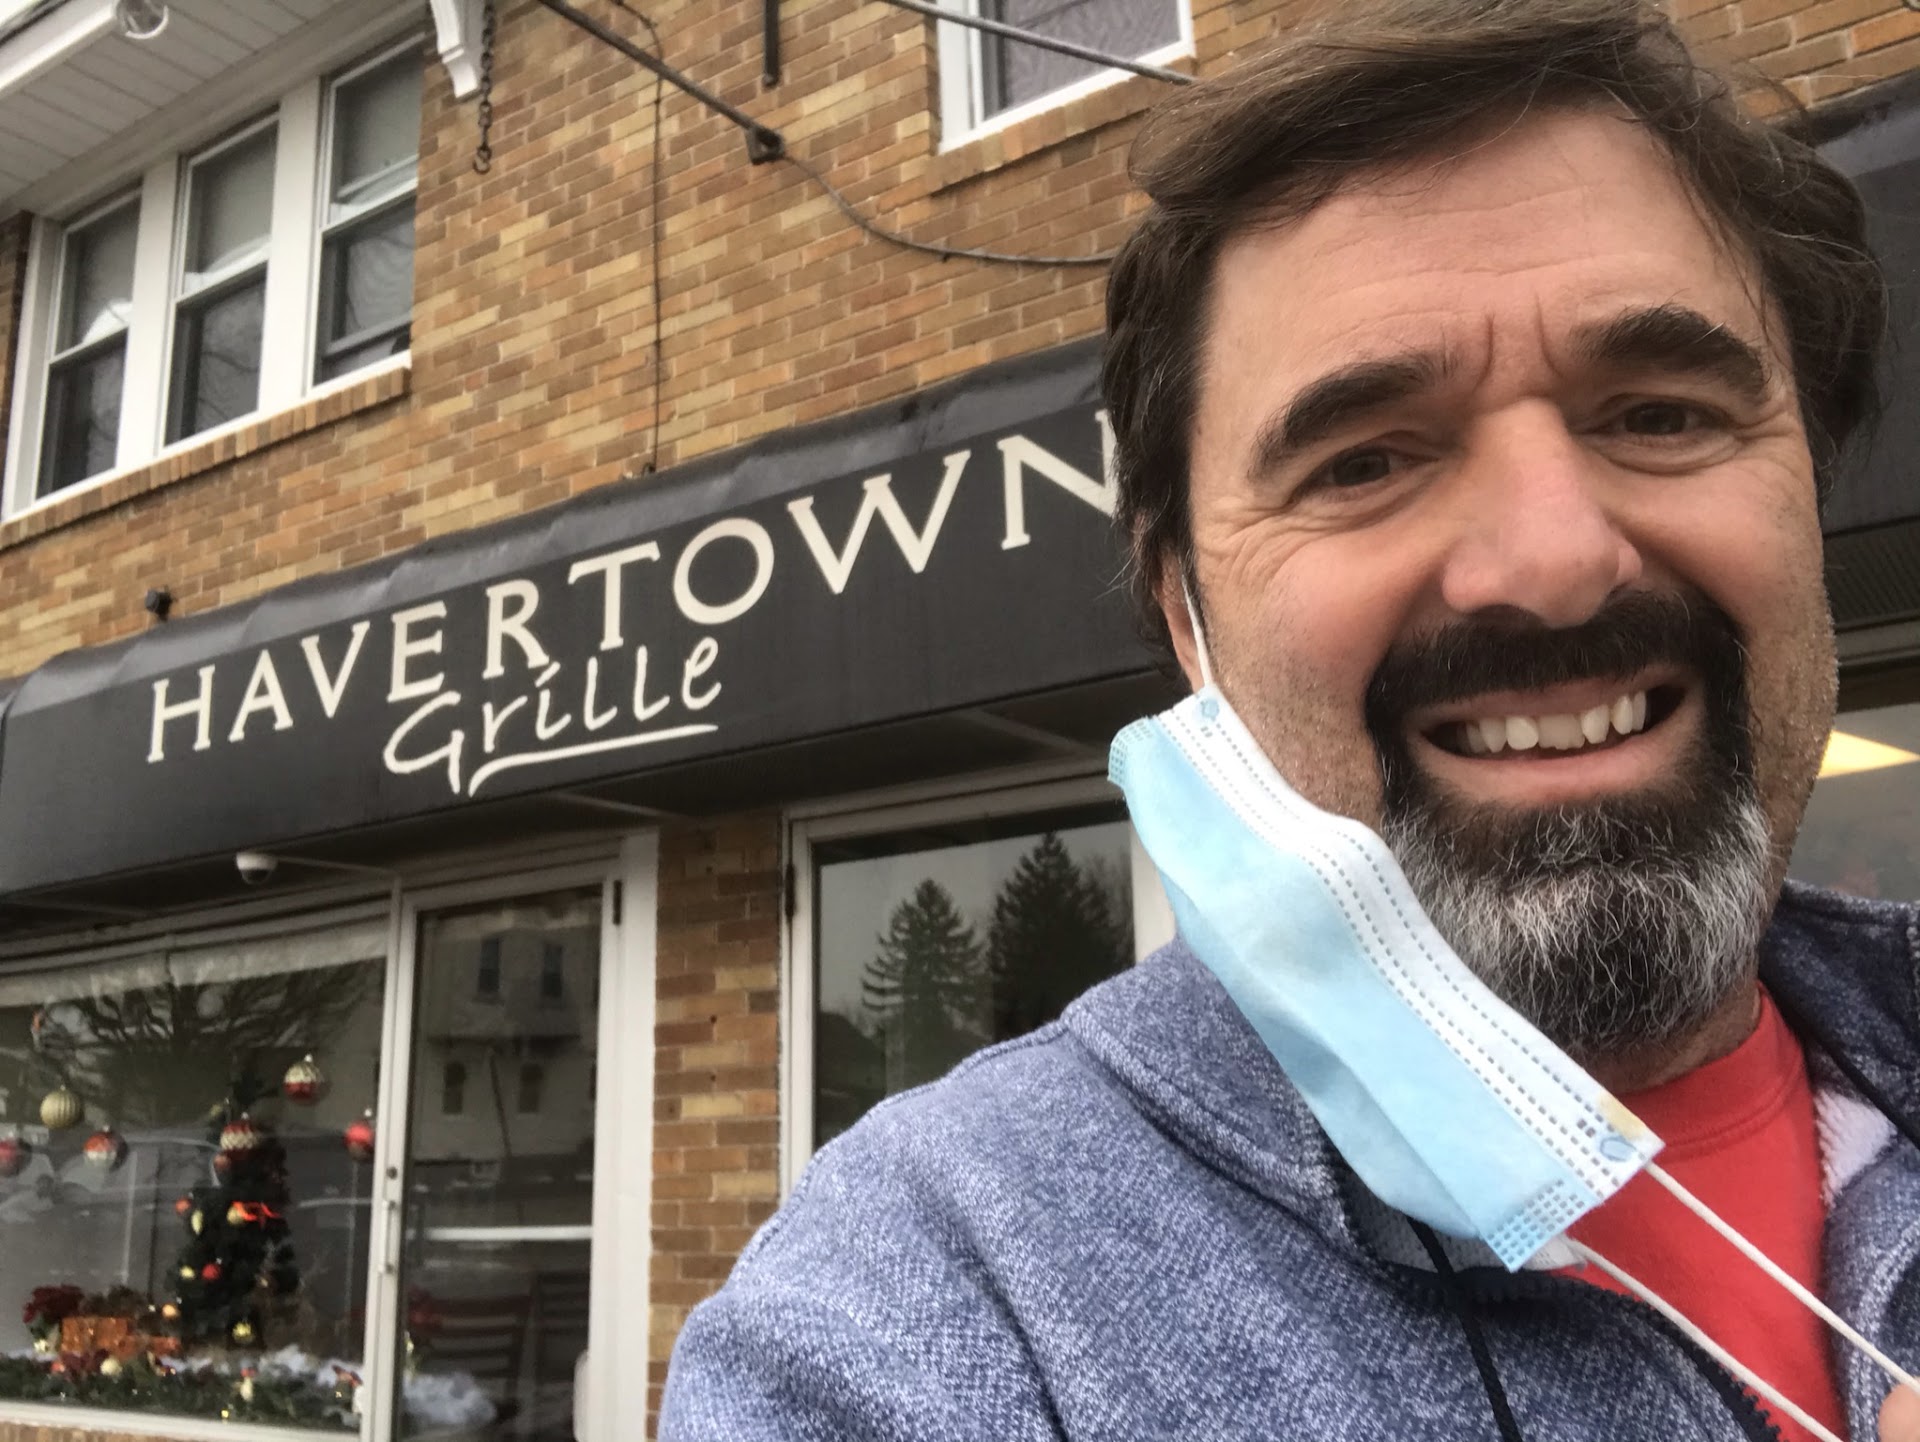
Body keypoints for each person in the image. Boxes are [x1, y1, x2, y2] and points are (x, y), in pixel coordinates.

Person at [660, 2, 1920, 1438]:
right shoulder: (923, 1299)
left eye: (1661, 414)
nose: (1554, 558)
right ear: (1187, 619)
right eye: (1364, 461)